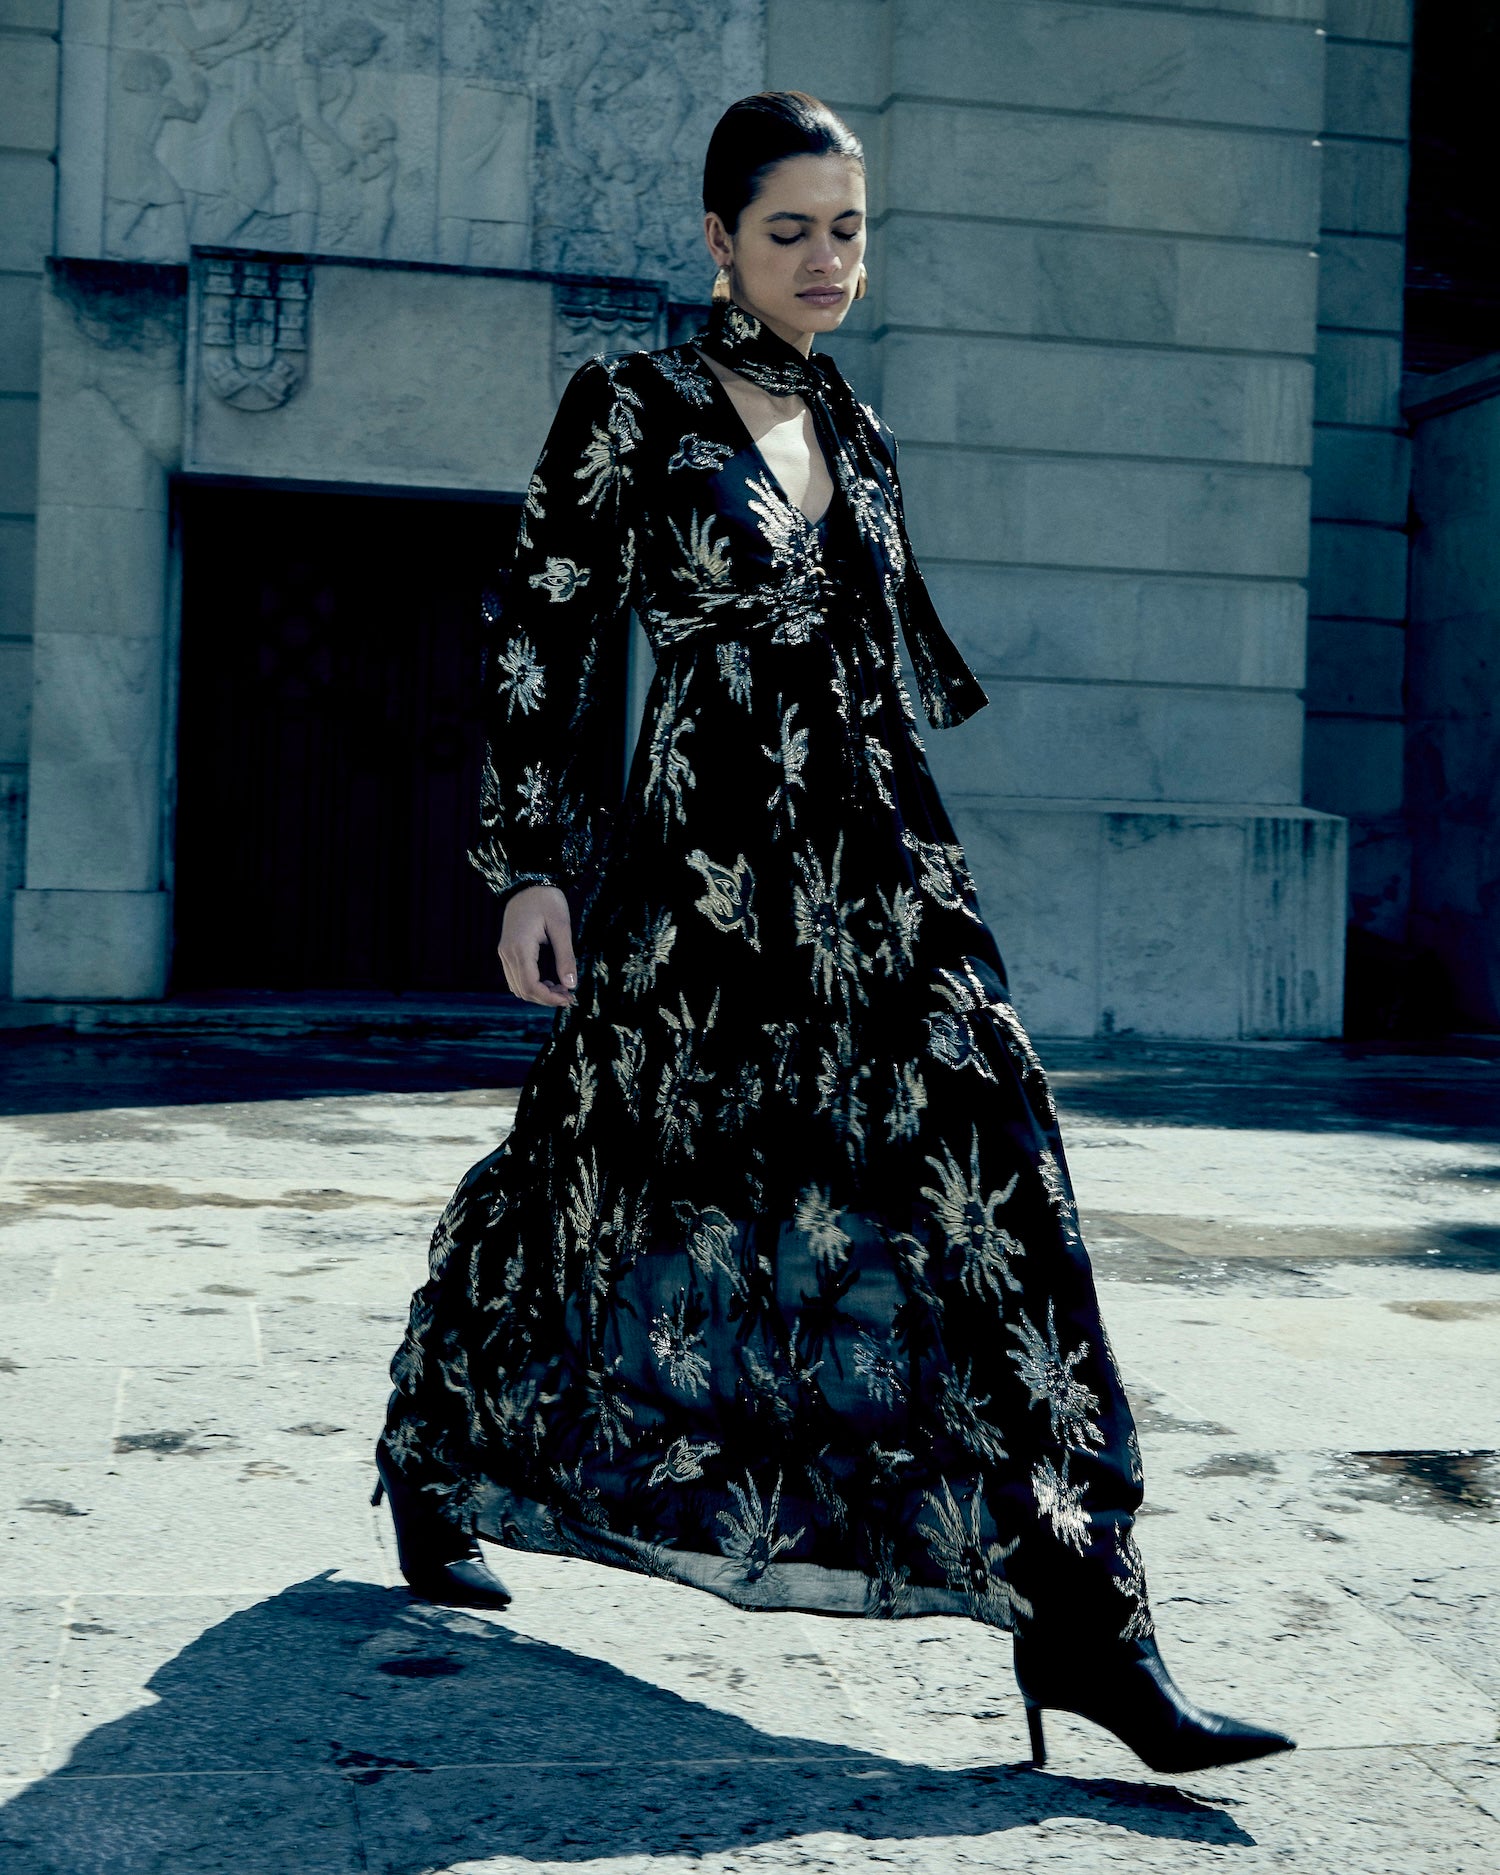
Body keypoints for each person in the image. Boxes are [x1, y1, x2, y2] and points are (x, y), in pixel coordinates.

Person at [374, 90, 1295, 1778]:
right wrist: (528, 868)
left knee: (998, 1167)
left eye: (848, 229)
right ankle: (438, 1446)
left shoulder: (856, 429)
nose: (824, 259)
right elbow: (540, 634)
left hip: (878, 868)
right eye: (788, 229)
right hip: (704, 883)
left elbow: (880, 665)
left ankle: (1085, 1610)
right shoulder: (632, 402)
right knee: (605, 1178)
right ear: (717, 242)